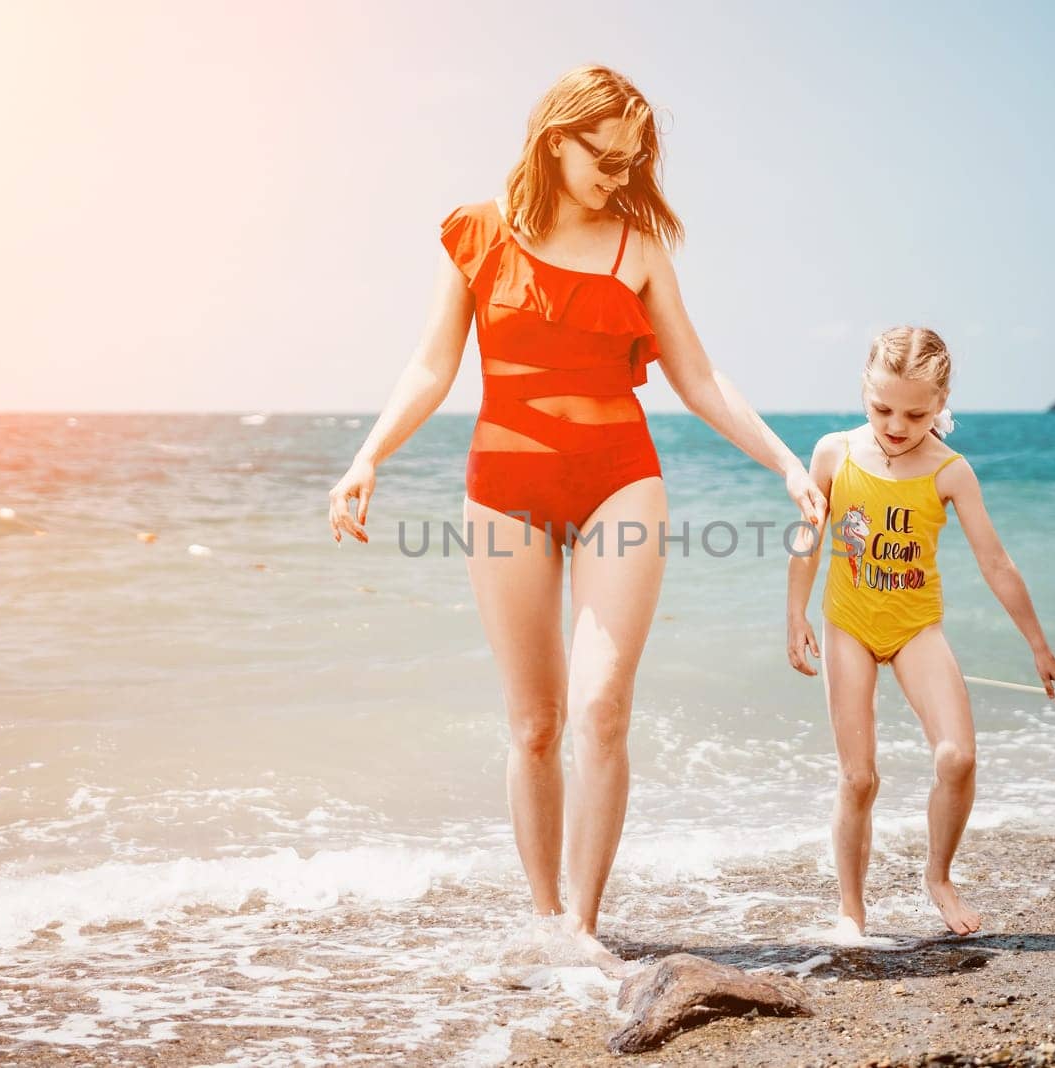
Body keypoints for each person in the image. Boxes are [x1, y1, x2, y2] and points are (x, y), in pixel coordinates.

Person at [329, 65, 825, 967]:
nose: (620, 176)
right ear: (554, 139)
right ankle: (545, 919)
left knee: (601, 708)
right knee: (534, 724)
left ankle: (587, 934)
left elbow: (699, 376)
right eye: (604, 158)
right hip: (504, 490)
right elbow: (432, 366)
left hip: (618, 482)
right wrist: (369, 457)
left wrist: (786, 461)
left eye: (633, 162)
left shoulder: (637, 247)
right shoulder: (477, 233)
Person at [785, 326, 1055, 936]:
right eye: (882, 407)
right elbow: (807, 537)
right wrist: (795, 613)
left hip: (916, 626)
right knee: (859, 778)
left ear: (941, 404)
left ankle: (938, 877)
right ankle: (851, 910)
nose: (896, 424)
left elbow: (996, 562)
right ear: (865, 391)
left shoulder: (951, 471)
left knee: (958, 757)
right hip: (849, 626)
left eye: (915, 413)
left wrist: (1039, 647)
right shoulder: (834, 453)